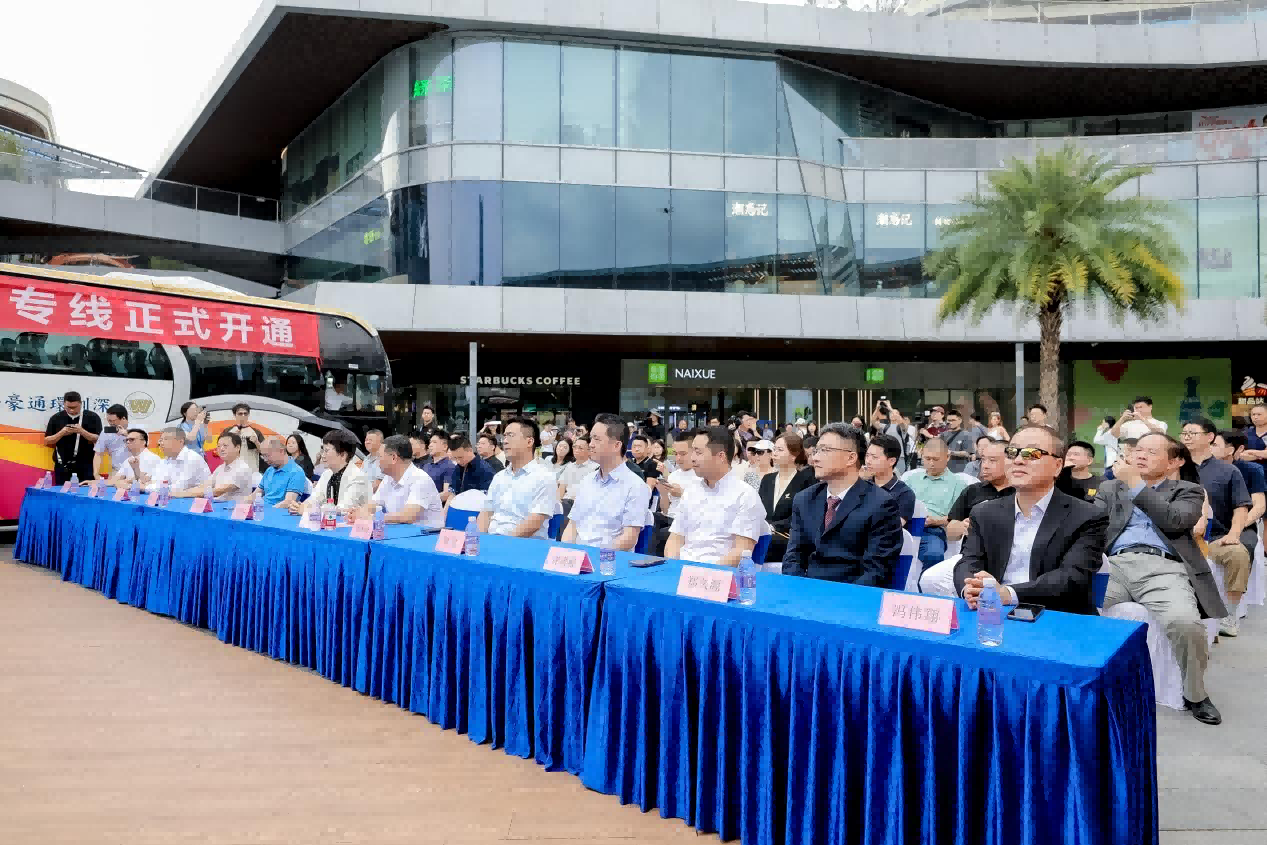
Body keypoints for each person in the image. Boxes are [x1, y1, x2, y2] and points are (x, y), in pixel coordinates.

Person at [1094, 432, 1227, 725]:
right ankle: (1084, 681)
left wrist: (1136, 485)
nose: (1141, 455)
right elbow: (1093, 527)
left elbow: (1175, 521)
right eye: (1138, 449)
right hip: (1115, 564)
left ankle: (1195, 694)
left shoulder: (1189, 490)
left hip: (1164, 568)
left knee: (1185, 622)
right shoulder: (1109, 487)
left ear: (1174, 462)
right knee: (1080, 608)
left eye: (1152, 452)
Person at [951, 426, 1108, 615]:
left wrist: (1008, 594)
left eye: (1032, 453)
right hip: (991, 613)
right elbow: (969, 561)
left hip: (1057, 617)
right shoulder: (984, 512)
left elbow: (1073, 577)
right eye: (1012, 452)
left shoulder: (1087, 516)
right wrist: (970, 587)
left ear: (1057, 466)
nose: (1018, 460)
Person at [781, 423, 903, 585]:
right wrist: (798, 589)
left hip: (853, 594)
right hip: (808, 591)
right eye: (816, 451)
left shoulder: (881, 504)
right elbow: (793, 556)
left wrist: (839, 597)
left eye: (825, 450)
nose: (815, 458)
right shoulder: (805, 499)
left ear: (851, 458)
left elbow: (877, 571)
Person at [1182, 418, 1254, 636]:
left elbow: (1241, 506)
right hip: (1177, 538)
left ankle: (1229, 616)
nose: (1186, 437)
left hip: (1213, 539)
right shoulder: (1174, 467)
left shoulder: (1228, 471)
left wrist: (1234, 534)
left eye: (1192, 433)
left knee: (1238, 554)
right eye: (1184, 433)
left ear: (1210, 437)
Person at [918, 438, 1014, 596]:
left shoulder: (1021, 493)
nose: (985, 465)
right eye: (983, 460)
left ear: (1011, 462)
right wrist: (963, 526)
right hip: (971, 558)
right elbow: (951, 533)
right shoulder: (973, 491)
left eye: (993, 461)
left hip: (1009, 558)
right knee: (929, 580)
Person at [665, 426, 767, 567]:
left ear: (721, 456)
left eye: (698, 452)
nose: (692, 458)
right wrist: (673, 567)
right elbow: (675, 539)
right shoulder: (691, 491)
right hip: (682, 569)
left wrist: (702, 574)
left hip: (718, 573)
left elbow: (741, 552)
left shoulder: (746, 496)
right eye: (692, 451)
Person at [562, 414, 648, 551]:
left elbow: (629, 538)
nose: (591, 444)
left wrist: (595, 556)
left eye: (597, 439)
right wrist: (566, 552)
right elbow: (572, 525)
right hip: (577, 556)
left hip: (608, 559)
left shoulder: (635, 486)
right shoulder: (587, 481)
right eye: (591, 438)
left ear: (616, 445)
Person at [478, 416, 559, 540]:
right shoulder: (499, 477)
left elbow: (534, 523)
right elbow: (486, 513)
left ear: (529, 442)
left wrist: (500, 544)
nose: (505, 441)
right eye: (505, 436)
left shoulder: (544, 477)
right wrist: (479, 540)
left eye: (511, 435)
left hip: (522, 545)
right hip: (492, 541)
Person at [904, 438, 969, 569]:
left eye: (936, 459)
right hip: (905, 525)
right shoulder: (911, 479)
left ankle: (926, 582)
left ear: (947, 457)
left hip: (933, 530)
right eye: (927, 459)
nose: (931, 463)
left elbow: (958, 518)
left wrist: (936, 521)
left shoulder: (958, 484)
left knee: (933, 554)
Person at [355, 434, 443, 526]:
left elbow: (407, 516)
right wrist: (360, 512)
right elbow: (373, 503)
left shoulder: (421, 479)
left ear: (393, 458)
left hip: (425, 534)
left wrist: (373, 517)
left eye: (380, 457)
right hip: (401, 531)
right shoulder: (388, 478)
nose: (378, 462)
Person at [759, 432, 816, 563]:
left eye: (780, 450)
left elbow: (803, 515)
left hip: (789, 539)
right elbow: (759, 511)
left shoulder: (806, 480)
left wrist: (773, 527)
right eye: (774, 449)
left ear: (793, 455)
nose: (774, 453)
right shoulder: (767, 479)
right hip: (764, 535)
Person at [292, 429, 371, 516]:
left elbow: (343, 509)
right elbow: (314, 499)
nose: (322, 455)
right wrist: (300, 506)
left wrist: (309, 510)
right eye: (323, 450)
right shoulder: (327, 474)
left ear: (342, 455)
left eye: (326, 451)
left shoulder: (358, 477)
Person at [44, 390, 103, 484]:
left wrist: (82, 431)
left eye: (74, 407)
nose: (72, 410)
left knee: (85, 491)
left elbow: (99, 439)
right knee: (61, 491)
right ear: (64, 404)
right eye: (68, 407)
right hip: (62, 466)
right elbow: (47, 441)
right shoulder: (56, 418)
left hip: (86, 466)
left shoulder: (92, 417)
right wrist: (61, 433)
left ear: (81, 404)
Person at [1214, 429, 1267, 533]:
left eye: (1215, 445)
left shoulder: (1252, 469)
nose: (1210, 448)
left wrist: (1237, 528)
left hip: (1242, 527)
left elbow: (1259, 506)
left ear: (1233, 449)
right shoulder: (1203, 468)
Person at [862, 433, 916, 527]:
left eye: (874, 457)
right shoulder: (862, 485)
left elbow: (892, 528)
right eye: (867, 456)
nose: (868, 461)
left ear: (891, 461)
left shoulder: (904, 494)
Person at [187, 431, 256, 502]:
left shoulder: (243, 468)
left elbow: (218, 492)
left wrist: (185, 494)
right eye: (219, 446)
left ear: (237, 447)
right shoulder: (220, 468)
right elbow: (204, 486)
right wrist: (183, 492)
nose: (221, 449)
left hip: (234, 508)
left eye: (225, 446)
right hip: (217, 505)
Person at [145, 427, 212, 497]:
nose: (161, 443)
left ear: (181, 441)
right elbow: (158, 481)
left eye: (166, 439)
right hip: (177, 499)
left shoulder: (192, 458)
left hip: (198, 500)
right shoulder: (168, 459)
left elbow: (178, 488)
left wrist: (145, 488)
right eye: (161, 440)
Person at [257, 436, 309, 508]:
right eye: (263, 456)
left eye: (268, 455)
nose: (265, 459)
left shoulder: (296, 472)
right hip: (262, 509)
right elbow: (256, 494)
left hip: (277, 512)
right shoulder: (269, 470)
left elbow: (288, 503)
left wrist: (265, 511)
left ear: (281, 451)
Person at [444, 434, 496, 502]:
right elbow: (452, 491)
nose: (458, 461)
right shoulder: (458, 468)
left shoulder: (485, 470)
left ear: (470, 450)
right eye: (455, 458)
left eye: (460, 457)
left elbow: (486, 499)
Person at [92, 404, 130, 481]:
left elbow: (144, 445)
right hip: (116, 471)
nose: (111, 423)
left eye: (113, 421)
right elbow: (98, 453)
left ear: (123, 418)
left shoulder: (137, 428)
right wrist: (95, 474)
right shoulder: (106, 431)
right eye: (109, 421)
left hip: (135, 470)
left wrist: (126, 434)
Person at [557, 435, 598, 504]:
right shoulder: (569, 466)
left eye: (580, 448)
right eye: (574, 447)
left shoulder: (595, 468)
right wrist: (558, 503)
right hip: (565, 502)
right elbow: (562, 487)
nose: (576, 450)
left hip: (582, 503)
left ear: (589, 451)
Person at [224, 404, 264, 472]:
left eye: (245, 413)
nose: (243, 416)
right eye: (240, 414)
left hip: (251, 470)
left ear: (248, 415)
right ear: (234, 415)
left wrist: (256, 442)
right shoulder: (228, 431)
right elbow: (222, 449)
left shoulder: (256, 431)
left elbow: (264, 451)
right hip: (232, 470)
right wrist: (232, 438)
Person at [940, 409, 977, 474]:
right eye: (949, 420)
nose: (950, 422)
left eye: (953, 420)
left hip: (960, 471)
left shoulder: (966, 435)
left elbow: (968, 453)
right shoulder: (943, 434)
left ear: (960, 420)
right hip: (944, 470)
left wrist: (951, 452)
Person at [361, 428, 385, 493]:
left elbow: (378, 484)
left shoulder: (384, 458)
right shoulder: (366, 458)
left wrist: (361, 493)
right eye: (366, 440)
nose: (367, 442)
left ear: (380, 442)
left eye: (371, 440)